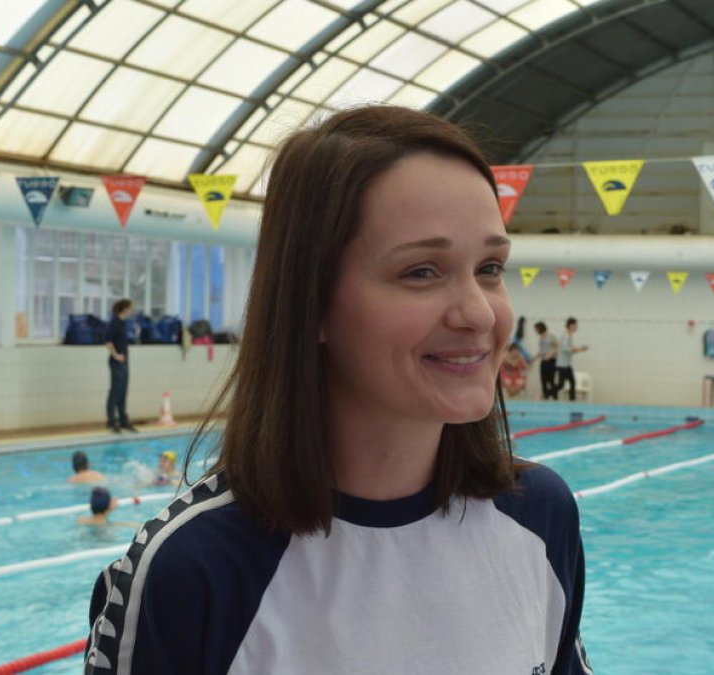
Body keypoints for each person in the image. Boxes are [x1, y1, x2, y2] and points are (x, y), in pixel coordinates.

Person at [84, 106, 591, 675]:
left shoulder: (541, 516)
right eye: (421, 271)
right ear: (314, 302)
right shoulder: (196, 569)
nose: (479, 312)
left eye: (490, 267)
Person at [106, 299, 138, 433]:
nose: (132, 310)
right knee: (115, 391)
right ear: (125, 309)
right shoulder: (114, 322)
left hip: (124, 362)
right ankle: (112, 421)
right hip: (117, 363)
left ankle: (123, 421)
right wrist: (115, 355)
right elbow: (107, 341)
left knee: (123, 391)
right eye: (131, 308)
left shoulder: (123, 323)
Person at [554, 317, 588, 401]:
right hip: (562, 364)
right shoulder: (566, 335)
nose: (577, 327)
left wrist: (579, 349)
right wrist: (579, 349)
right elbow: (565, 349)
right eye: (575, 325)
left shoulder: (568, 335)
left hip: (566, 364)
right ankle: (546, 393)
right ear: (571, 325)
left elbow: (569, 349)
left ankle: (572, 401)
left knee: (571, 382)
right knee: (562, 384)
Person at [536, 320, 558, 399]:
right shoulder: (541, 338)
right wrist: (533, 358)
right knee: (543, 381)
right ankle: (545, 397)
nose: (536, 331)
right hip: (544, 361)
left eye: (536, 329)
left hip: (551, 361)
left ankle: (555, 398)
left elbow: (557, 346)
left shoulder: (550, 336)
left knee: (551, 381)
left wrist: (550, 353)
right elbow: (542, 351)